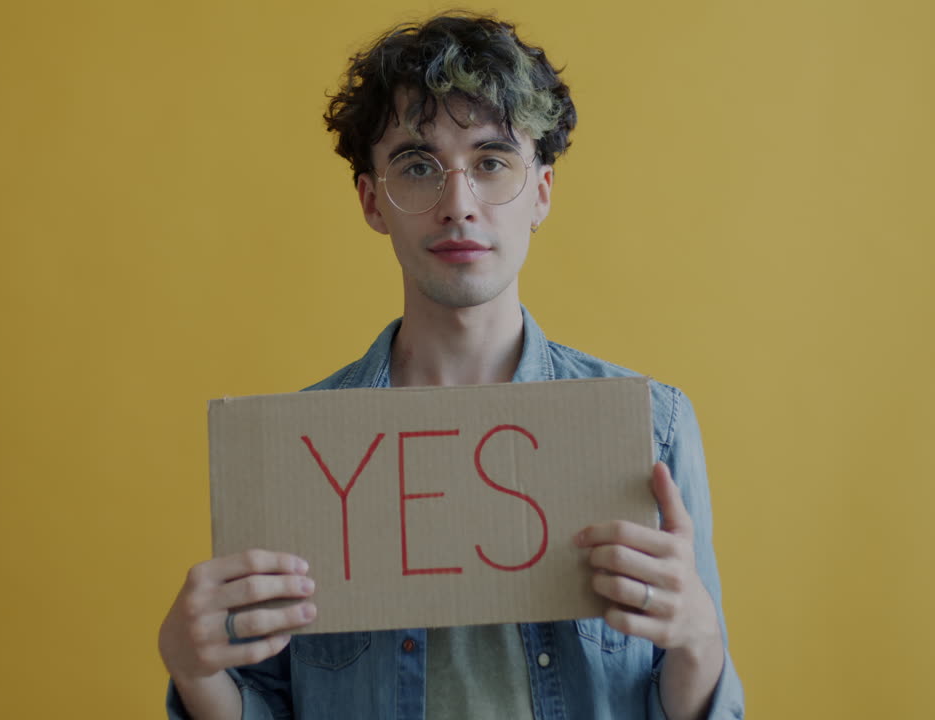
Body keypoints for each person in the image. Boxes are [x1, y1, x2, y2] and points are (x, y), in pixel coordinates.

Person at [158, 12, 744, 719]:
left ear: (542, 193)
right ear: (373, 200)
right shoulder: (299, 450)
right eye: (417, 166)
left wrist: (700, 641)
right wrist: (195, 673)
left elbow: (696, 701)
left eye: (492, 161)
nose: (457, 204)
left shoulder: (653, 426)